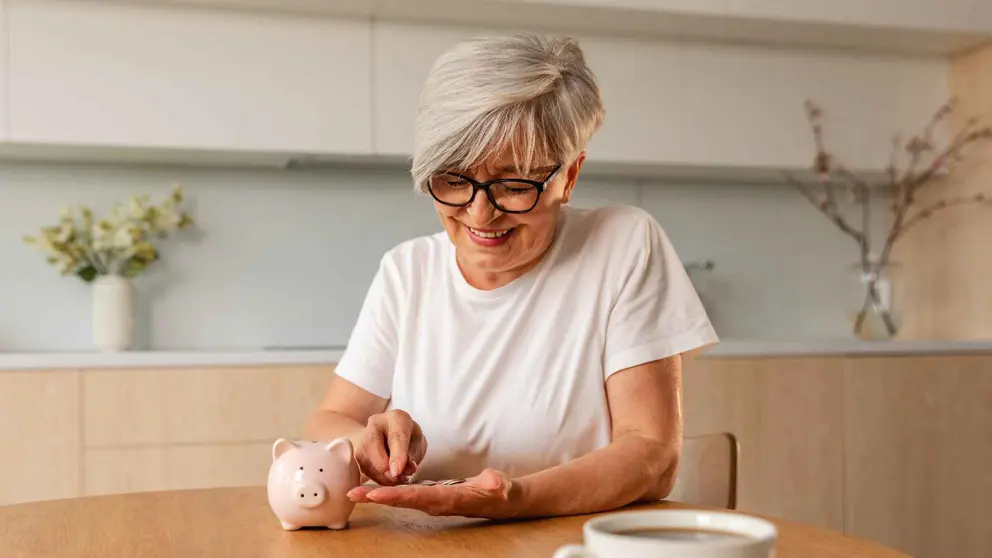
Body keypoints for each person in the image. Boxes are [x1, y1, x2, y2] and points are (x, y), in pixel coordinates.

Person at [303, 32, 717, 520]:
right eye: (454, 179)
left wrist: (515, 498)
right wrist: (365, 438)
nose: (481, 213)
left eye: (515, 184)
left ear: (570, 175)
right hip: (427, 545)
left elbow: (652, 454)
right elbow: (327, 422)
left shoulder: (623, 244)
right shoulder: (406, 270)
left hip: (570, 542)